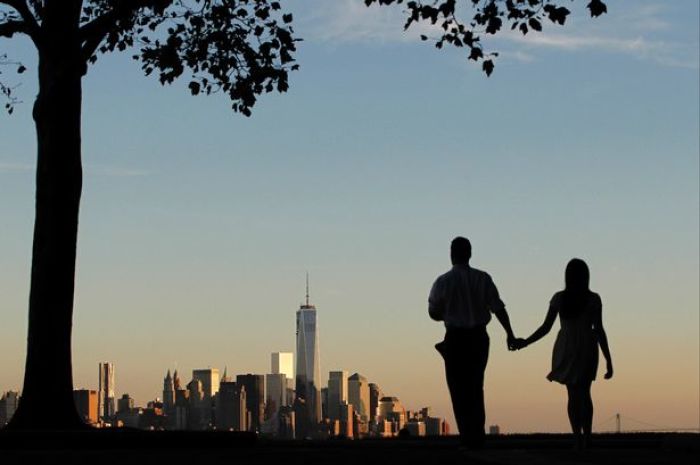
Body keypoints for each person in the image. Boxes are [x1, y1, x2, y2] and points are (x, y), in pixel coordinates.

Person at [428, 236, 518, 449]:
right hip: (479, 338)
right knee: (476, 387)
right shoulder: (483, 278)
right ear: (470, 254)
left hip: (455, 339)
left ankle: (467, 437)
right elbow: (498, 308)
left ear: (451, 255)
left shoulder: (442, 282)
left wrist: (448, 313)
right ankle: (477, 436)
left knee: (458, 390)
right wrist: (510, 334)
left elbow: (433, 312)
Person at [514, 258, 613, 449]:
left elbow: (545, 328)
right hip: (587, 345)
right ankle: (588, 437)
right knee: (585, 393)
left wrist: (525, 342)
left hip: (566, 345)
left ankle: (577, 438)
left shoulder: (559, 298)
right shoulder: (593, 299)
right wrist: (609, 359)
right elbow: (599, 329)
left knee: (572, 395)